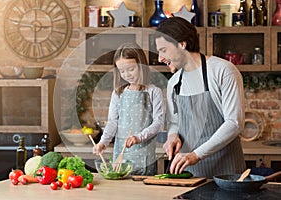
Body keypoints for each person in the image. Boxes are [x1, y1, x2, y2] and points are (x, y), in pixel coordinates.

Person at [154, 17, 246, 178]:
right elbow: (174, 122)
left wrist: (196, 155)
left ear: (182, 44)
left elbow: (234, 123)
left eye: (163, 50)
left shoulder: (223, 70)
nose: (159, 58)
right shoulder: (174, 83)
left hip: (226, 172)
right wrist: (172, 137)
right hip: (190, 174)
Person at [93, 43, 164, 175]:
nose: (127, 74)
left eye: (131, 69)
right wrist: (103, 142)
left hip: (144, 155)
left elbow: (158, 123)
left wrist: (139, 137)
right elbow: (113, 122)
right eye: (122, 71)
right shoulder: (118, 93)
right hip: (121, 156)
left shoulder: (154, 91)